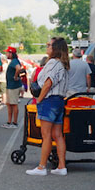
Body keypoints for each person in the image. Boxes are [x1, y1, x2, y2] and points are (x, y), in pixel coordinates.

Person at [26, 37, 70, 176]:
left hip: (49, 100)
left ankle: (41, 167)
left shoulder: (52, 63)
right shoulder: (64, 64)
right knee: (58, 135)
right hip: (59, 100)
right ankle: (61, 166)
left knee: (46, 136)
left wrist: (39, 99)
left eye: (49, 45)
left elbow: (48, 83)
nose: (47, 47)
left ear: (55, 48)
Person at [2, 47, 22, 128]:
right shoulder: (14, 61)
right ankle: (10, 121)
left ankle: (14, 122)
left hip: (13, 86)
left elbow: (18, 68)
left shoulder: (14, 61)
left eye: (7, 53)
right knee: (10, 103)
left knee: (13, 104)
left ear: (11, 53)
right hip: (11, 85)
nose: (6, 54)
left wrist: (15, 76)